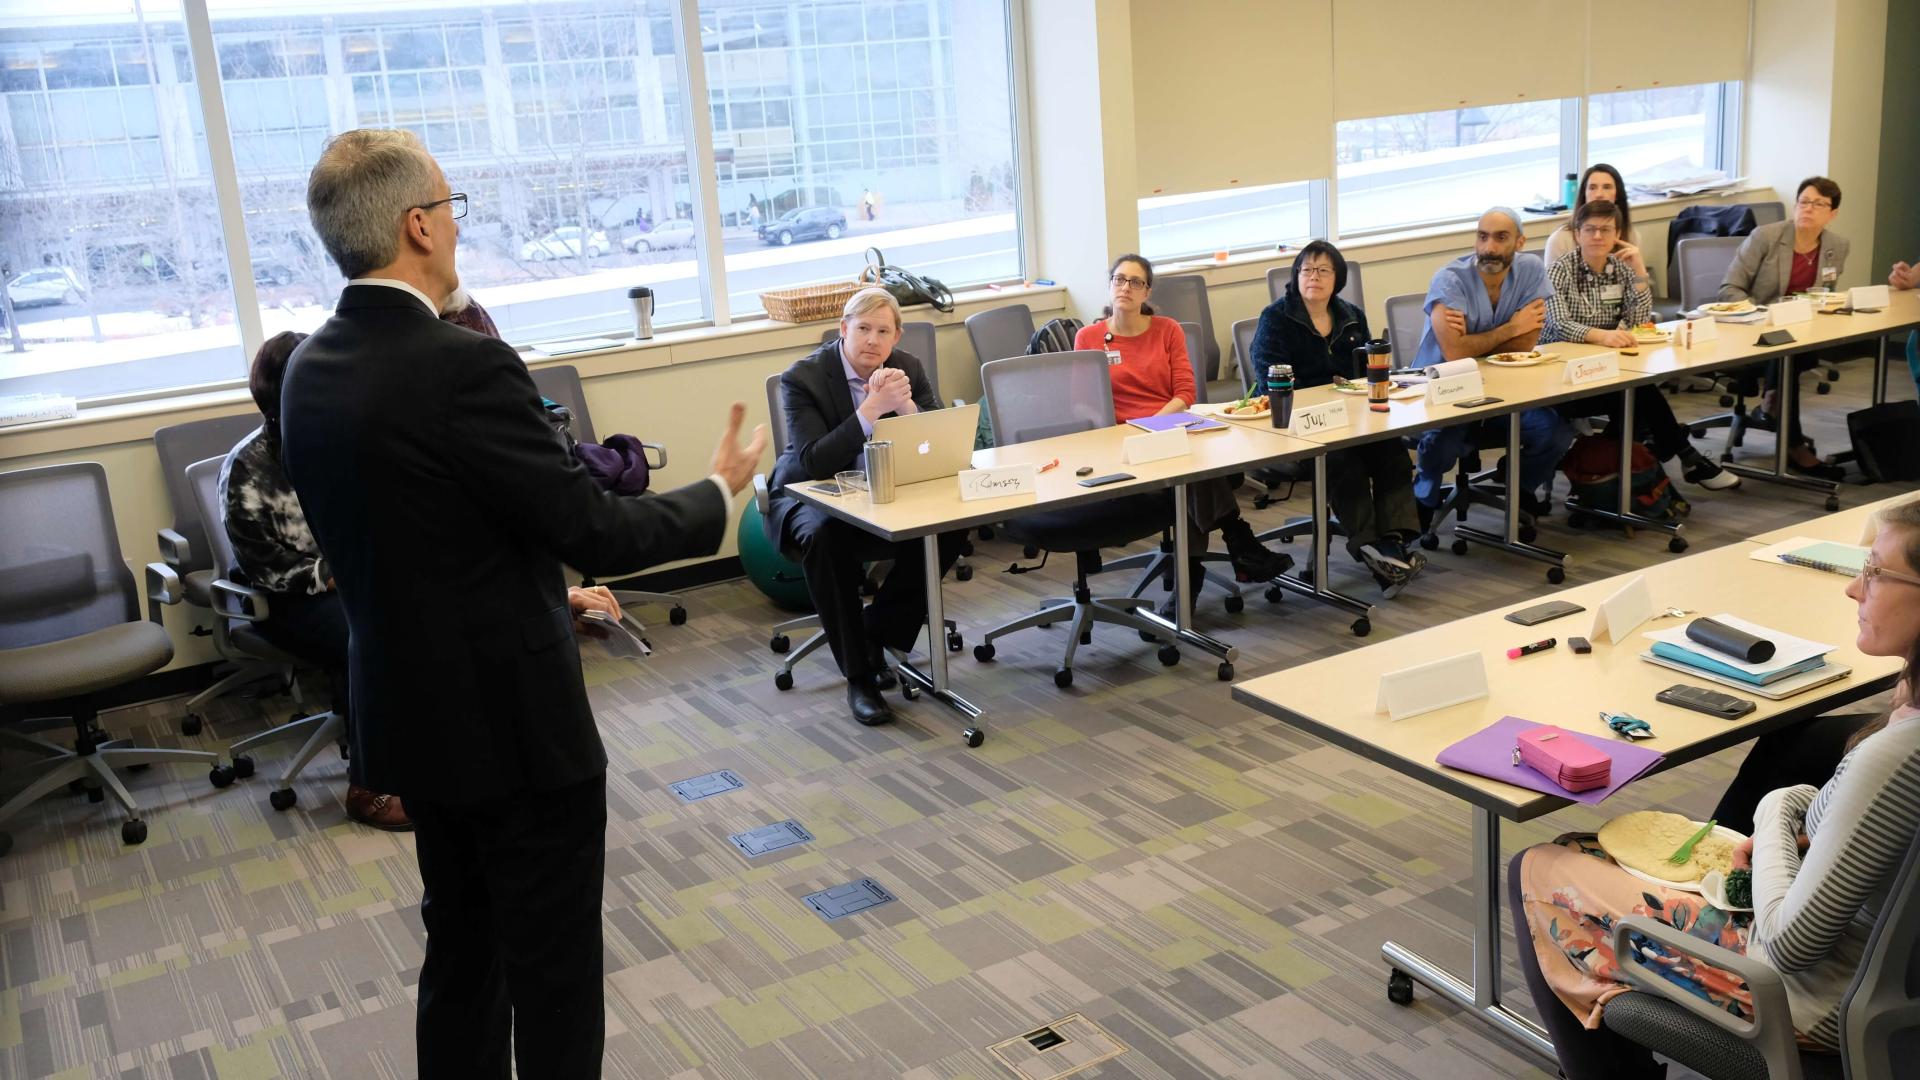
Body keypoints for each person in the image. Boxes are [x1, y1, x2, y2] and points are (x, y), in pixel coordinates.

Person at [279, 128, 764, 1079]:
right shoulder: (462, 367)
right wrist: (717, 493)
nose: (458, 232)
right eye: (453, 210)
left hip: (410, 719)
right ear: (418, 225)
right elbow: (592, 529)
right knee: (552, 974)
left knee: (462, 955)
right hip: (514, 729)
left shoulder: (308, 369)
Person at [1509, 500, 1920, 1079]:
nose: (1854, 589)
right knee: (1595, 852)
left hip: (1815, 1004)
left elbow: (1788, 946)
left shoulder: (1898, 755)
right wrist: (1798, 810)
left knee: (1540, 869)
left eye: (1876, 571)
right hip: (1888, 983)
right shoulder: (1903, 732)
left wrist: (1775, 810)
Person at [219, 332, 411, 832]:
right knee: (365, 638)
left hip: (355, 578)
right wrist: (341, 573)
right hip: (286, 598)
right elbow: (265, 566)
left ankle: (430, 756)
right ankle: (369, 786)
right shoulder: (249, 466)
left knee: (429, 610)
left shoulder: (342, 439)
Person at [766, 287, 968, 728]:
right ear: (843, 330)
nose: (872, 341)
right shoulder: (803, 377)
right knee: (827, 539)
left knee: (951, 525)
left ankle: (876, 633)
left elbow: (937, 442)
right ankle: (860, 679)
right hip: (810, 492)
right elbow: (815, 459)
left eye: (883, 332)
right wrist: (873, 409)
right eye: (862, 329)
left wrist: (907, 405)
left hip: (883, 490)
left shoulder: (907, 367)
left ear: (896, 337)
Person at [1073, 254, 1293, 611]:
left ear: (1148, 290)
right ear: (1110, 285)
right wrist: (1132, 430)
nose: (1126, 287)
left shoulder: (1167, 330)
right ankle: (1235, 545)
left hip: (1169, 425)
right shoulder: (1089, 337)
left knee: (1192, 469)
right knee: (1191, 473)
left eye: (1135, 282)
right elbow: (1082, 403)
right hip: (1121, 441)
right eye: (1119, 279)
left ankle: (1192, 581)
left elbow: (1185, 393)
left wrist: (1155, 426)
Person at [1250, 241, 1426, 595]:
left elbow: (1362, 375)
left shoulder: (1351, 316)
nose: (1313, 277)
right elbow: (1272, 376)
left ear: (1338, 278)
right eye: (1306, 270)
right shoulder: (1277, 317)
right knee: (1343, 460)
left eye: (1323, 270)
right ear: (1296, 276)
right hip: (1295, 427)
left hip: (1350, 419)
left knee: (1391, 450)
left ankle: (1392, 541)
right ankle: (1370, 546)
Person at [1543, 199, 1739, 491]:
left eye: (1605, 230)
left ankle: (1625, 470)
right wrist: (1603, 336)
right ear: (1578, 233)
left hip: (1612, 368)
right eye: (1590, 229)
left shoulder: (1620, 267)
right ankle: (1683, 457)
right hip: (1565, 377)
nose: (1597, 236)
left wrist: (1639, 271)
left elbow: (1638, 321)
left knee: (1638, 393)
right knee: (1641, 393)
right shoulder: (1560, 270)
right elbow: (1559, 324)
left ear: (1617, 233)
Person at [1411, 207, 1574, 521]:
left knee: (1555, 435)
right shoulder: (1450, 280)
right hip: (1449, 390)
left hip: (1507, 389)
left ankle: (1518, 485)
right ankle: (1422, 498)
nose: (1489, 248)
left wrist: (1478, 340)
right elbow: (1456, 354)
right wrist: (1512, 327)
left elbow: (1526, 346)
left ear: (1520, 242)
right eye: (1482, 237)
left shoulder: (1530, 270)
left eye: (1501, 238)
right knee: (1444, 444)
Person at [1718, 176, 1850, 480]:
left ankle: (1773, 402)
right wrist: (1763, 314)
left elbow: (1825, 294)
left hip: (1803, 331)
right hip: (1752, 330)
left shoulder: (1837, 246)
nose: (1809, 209)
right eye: (1803, 201)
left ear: (1833, 214)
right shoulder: (1765, 237)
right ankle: (1792, 444)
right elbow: (1729, 290)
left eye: (1819, 204)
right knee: (1785, 354)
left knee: (1793, 349)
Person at [1542, 164, 1636, 266]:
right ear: (1584, 194)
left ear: (1617, 194)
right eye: (1592, 188)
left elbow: (1638, 279)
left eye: (1607, 187)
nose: (1599, 194)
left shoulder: (1631, 235)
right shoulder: (1560, 239)